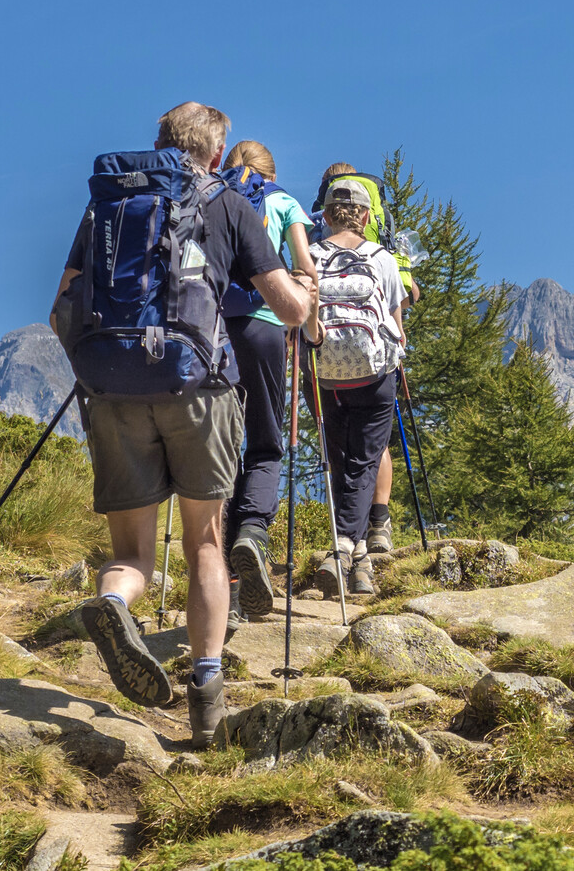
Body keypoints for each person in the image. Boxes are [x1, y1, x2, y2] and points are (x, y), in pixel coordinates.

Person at [49, 103, 317, 748]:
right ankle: (206, 696)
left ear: (160, 141)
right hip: (199, 387)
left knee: (131, 555)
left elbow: (61, 309)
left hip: (112, 391)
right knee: (205, 544)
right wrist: (308, 289)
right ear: (219, 154)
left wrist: (102, 371)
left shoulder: (107, 206)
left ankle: (114, 604)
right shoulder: (230, 204)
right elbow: (288, 310)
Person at [218, 140, 315, 620]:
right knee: (265, 443)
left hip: (212, 333)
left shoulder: (212, 196)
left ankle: (226, 582)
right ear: (270, 173)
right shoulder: (283, 201)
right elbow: (306, 268)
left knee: (219, 452)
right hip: (265, 327)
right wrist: (310, 325)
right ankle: (253, 533)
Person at [303, 175, 406, 595]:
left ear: (326, 216)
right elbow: (397, 326)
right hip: (374, 375)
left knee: (341, 459)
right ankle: (346, 548)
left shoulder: (309, 256)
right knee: (365, 462)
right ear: (365, 217)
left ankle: (357, 559)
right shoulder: (382, 258)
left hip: (325, 374)